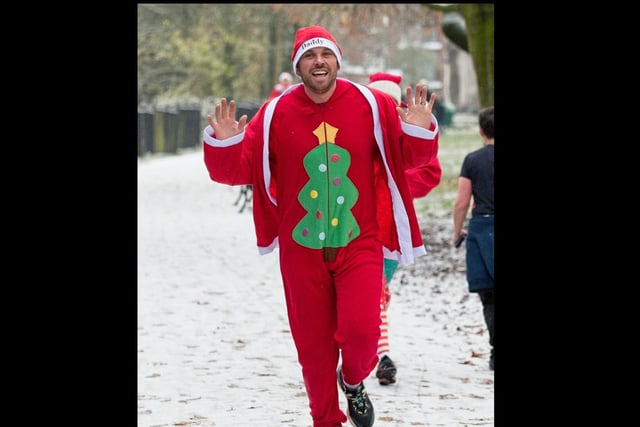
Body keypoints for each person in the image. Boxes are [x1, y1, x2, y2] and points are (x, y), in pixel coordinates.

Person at [202, 25, 440, 427]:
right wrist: (225, 143)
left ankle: (352, 381)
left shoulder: (369, 103)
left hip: (358, 242)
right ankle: (325, 420)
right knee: (313, 349)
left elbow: (410, 159)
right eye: (309, 57)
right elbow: (240, 169)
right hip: (301, 250)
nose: (318, 62)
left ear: (337, 61)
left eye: (325, 55)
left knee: (362, 334)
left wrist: (418, 128)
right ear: (298, 67)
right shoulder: (275, 112)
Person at [367, 72, 442, 386]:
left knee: (374, 293)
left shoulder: (405, 124)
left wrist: (397, 185)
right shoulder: (358, 123)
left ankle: (377, 352)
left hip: (389, 232)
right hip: (352, 228)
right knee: (370, 293)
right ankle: (371, 350)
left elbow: (429, 169)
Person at [452, 106, 494, 371]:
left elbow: (461, 203)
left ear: (480, 130)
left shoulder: (473, 159)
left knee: (489, 296)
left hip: (483, 229)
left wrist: (457, 232)